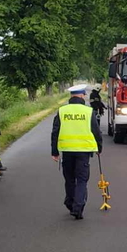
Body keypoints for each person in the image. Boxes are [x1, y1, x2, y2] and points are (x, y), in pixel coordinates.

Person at [51, 84, 103, 219]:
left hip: (67, 151)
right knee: (81, 179)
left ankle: (70, 202)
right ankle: (77, 207)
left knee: (69, 179)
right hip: (83, 151)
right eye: (84, 95)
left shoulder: (62, 111)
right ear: (80, 95)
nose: (85, 97)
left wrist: (54, 151)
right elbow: (96, 131)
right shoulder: (88, 111)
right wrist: (99, 147)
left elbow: (55, 132)